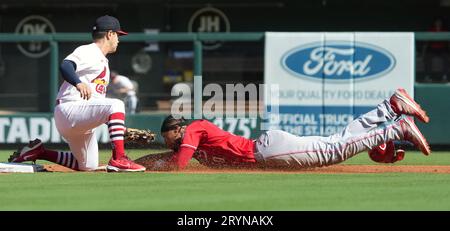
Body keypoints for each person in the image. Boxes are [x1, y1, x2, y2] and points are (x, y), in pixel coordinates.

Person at [135, 88, 430, 171]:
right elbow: (175, 158)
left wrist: (142, 164)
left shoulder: (194, 130)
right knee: (336, 141)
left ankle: (395, 129)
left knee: (333, 151)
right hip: (269, 149)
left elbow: (178, 164)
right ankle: (389, 107)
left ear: (179, 129)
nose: (171, 142)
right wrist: (137, 164)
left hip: (267, 152)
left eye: (170, 137)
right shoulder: (192, 142)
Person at [9, 15, 145, 172]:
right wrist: (78, 83)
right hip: (70, 109)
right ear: (109, 34)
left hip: (80, 119)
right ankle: (119, 158)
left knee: (88, 165)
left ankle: (40, 152)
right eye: (118, 35)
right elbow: (66, 66)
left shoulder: (102, 61)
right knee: (117, 103)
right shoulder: (89, 51)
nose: (118, 40)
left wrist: (121, 129)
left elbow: (97, 105)